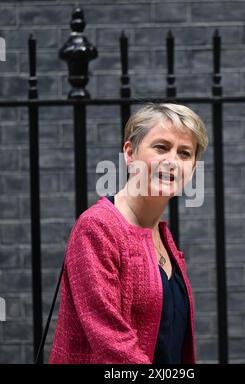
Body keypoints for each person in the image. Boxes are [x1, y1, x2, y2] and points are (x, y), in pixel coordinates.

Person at [49, 103, 208, 364]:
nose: (172, 161)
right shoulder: (97, 228)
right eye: (161, 147)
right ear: (130, 153)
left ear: (192, 169)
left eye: (184, 153)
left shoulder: (162, 236)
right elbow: (114, 347)